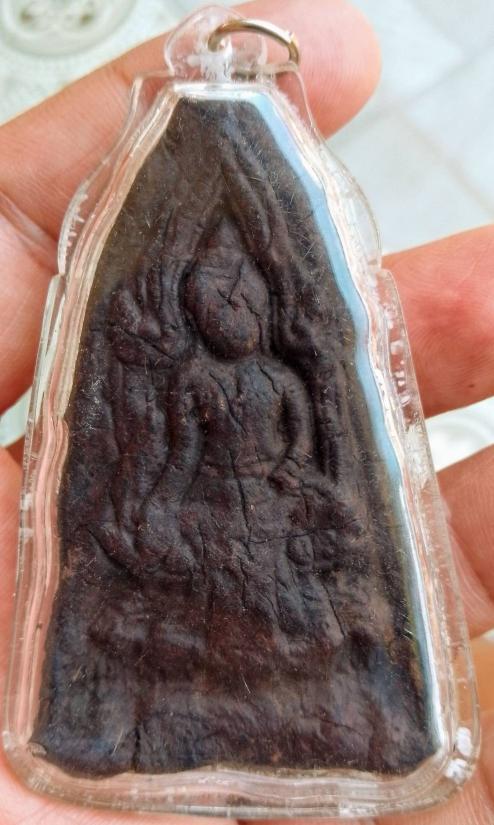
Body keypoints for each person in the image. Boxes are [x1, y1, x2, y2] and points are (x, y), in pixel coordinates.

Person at [0, 0, 493, 821]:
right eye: (215, 296)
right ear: (191, 308)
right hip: (208, 503)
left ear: (268, 308)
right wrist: (155, 507)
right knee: (189, 585)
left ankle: (304, 673)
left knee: (312, 589)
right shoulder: (194, 379)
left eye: (245, 296)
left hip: (272, 501)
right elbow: (175, 455)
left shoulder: (282, 380)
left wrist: (303, 487)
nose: (232, 308)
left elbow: (300, 448)